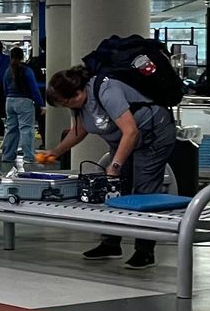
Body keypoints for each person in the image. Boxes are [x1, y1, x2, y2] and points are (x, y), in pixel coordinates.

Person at [44, 64, 178, 270]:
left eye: (66, 102)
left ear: (78, 92)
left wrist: (115, 165)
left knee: (144, 189)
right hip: (126, 141)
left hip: (153, 135)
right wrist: (55, 152)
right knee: (115, 190)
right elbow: (79, 131)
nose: (67, 107)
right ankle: (110, 243)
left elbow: (131, 131)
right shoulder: (78, 105)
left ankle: (144, 250)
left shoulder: (106, 91)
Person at [0, 46, 44, 168]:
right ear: (22, 56)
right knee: (26, 130)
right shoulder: (27, 70)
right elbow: (34, 88)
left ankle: (7, 156)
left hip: (9, 101)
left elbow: (4, 88)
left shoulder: (8, 71)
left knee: (11, 129)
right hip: (24, 101)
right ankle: (29, 157)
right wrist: (41, 104)